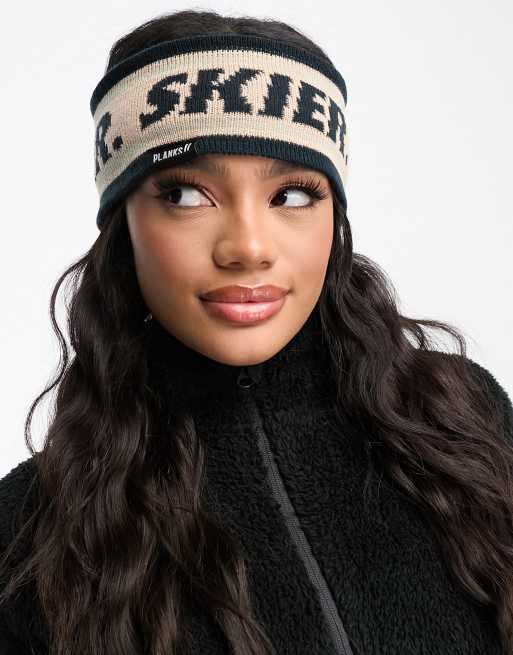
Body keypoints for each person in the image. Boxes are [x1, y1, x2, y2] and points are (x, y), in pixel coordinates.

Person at [0, 9, 512, 655]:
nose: (247, 247)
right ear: (122, 221)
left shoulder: (463, 424)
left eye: (291, 195)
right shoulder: (26, 532)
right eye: (185, 195)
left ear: (333, 215)